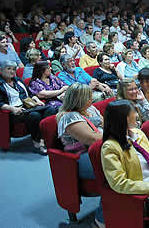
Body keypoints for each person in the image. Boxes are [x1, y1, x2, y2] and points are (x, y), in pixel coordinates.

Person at [56, 83, 104, 227]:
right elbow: (93, 140)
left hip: (101, 148)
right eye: (89, 97)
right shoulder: (68, 117)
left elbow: (106, 125)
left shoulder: (91, 109)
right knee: (114, 170)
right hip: (81, 157)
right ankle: (101, 219)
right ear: (79, 100)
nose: (92, 99)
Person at [0, 60, 55, 154]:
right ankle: (38, 142)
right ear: (1, 70)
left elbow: (29, 94)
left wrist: (37, 100)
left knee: (50, 109)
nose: (12, 71)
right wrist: (13, 109)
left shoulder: (18, 80)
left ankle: (46, 138)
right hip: (14, 112)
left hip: (28, 106)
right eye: (9, 69)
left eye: (14, 69)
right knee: (35, 115)